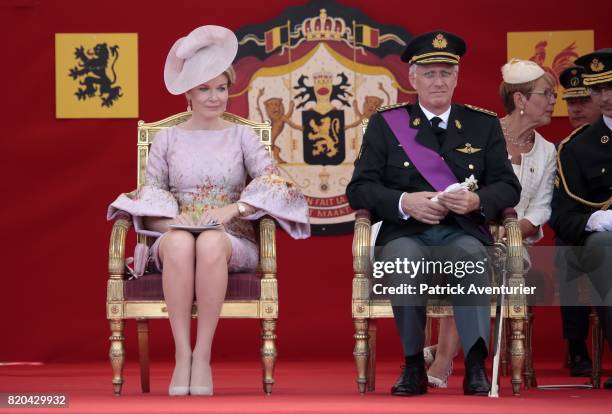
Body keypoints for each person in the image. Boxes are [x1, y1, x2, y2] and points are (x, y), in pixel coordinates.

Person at [107, 25, 310, 396]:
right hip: (173, 234)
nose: (215, 97)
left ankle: (203, 356)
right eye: (205, 88)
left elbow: (275, 181)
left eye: (221, 88)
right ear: (188, 91)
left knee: (211, 243)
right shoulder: (167, 138)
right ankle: (182, 354)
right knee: (183, 244)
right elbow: (150, 195)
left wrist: (234, 208)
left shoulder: (242, 136)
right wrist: (172, 221)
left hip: (231, 238)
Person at [346, 31, 521, 396]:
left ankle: (474, 364)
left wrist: (477, 202)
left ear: (457, 77)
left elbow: (507, 186)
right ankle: (413, 366)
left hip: (461, 232)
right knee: (402, 260)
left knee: (472, 258)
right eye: (429, 73)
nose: (438, 81)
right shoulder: (387, 123)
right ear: (412, 78)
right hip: (406, 232)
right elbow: (359, 188)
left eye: (445, 72)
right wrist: (403, 202)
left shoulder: (482, 124)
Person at [423, 58, 558, 388]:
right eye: (547, 93)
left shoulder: (548, 150)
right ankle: (446, 359)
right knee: (469, 259)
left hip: (514, 244)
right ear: (520, 100)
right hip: (467, 231)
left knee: (481, 260)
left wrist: (510, 234)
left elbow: (540, 210)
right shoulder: (481, 134)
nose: (555, 101)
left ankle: (443, 354)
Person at [551, 48, 612, 389]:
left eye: (611, 87)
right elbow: (563, 216)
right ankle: (577, 343)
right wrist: (597, 221)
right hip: (602, 240)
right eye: (598, 90)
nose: (605, 98)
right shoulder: (576, 148)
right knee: (602, 246)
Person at [556, 65, 602, 377]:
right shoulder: (568, 149)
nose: (575, 109)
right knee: (566, 249)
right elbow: (564, 210)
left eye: (583, 101)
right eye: (571, 103)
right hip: (585, 229)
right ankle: (576, 343)